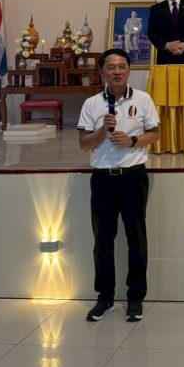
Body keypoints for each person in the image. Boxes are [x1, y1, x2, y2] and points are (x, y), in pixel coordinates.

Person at [78, 49, 160, 323]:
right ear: (102, 72)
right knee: (103, 241)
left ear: (129, 71)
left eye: (122, 66)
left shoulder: (143, 99)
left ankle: (135, 298)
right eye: (111, 67)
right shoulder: (92, 104)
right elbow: (84, 144)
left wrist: (133, 141)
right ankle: (105, 298)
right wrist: (103, 130)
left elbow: (155, 134)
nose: (117, 72)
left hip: (133, 177)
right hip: (103, 179)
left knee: (137, 239)